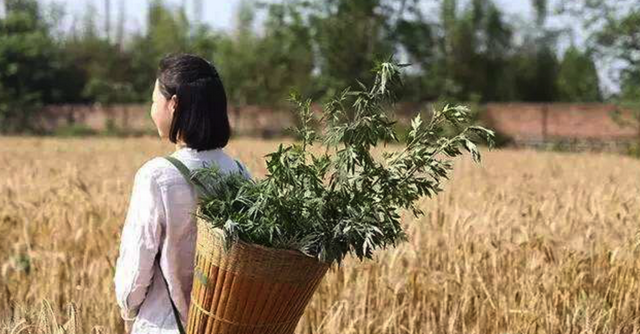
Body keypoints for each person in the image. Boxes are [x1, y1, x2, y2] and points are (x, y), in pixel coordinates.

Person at [113, 54, 252, 334]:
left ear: (173, 104)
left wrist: (128, 307)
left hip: (165, 325)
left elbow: (134, 275)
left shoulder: (157, 176)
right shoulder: (239, 172)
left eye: (154, 101)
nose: (152, 110)